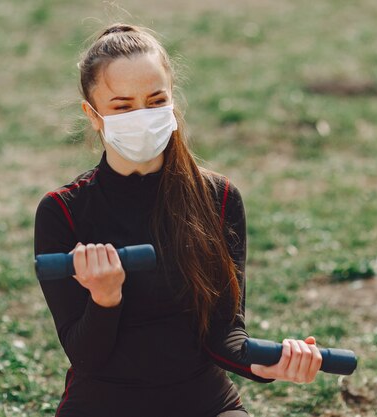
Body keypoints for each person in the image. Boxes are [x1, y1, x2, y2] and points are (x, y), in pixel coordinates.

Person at [34, 23, 322, 417]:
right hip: (104, 401)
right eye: (122, 106)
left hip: (202, 400)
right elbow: (87, 356)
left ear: (172, 102)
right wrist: (105, 299)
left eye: (155, 100)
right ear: (94, 115)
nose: (143, 115)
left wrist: (269, 364)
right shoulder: (61, 211)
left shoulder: (218, 199)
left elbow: (224, 333)